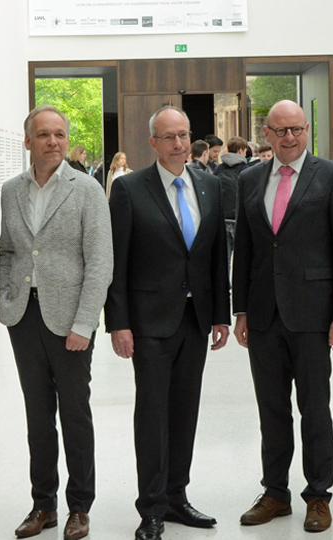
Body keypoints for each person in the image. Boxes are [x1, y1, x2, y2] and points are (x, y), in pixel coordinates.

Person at [233, 100, 333, 533]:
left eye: (297, 129)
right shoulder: (249, 179)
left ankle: (319, 495)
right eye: (280, 130)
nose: (289, 138)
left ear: (307, 130)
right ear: (266, 134)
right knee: (271, 409)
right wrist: (242, 309)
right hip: (265, 315)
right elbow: (246, 251)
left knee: (315, 409)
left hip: (312, 315)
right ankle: (275, 493)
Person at [105, 105, 230, 540]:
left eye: (184, 135)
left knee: (185, 411)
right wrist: (118, 322)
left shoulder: (210, 185)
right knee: (154, 414)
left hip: (196, 321)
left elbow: (216, 257)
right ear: (153, 143)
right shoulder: (129, 190)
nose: (178, 144)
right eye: (169, 137)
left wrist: (220, 316)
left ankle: (177, 497)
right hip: (149, 322)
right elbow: (115, 262)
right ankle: (151, 508)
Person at [0, 105, 113, 540]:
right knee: (37, 414)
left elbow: (100, 262)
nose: (52, 142)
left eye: (59, 135)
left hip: (70, 322)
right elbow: (6, 249)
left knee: (75, 415)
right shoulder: (11, 190)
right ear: (28, 141)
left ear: (67, 141)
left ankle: (79, 507)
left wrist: (85, 322)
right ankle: (42, 504)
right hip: (23, 318)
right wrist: (5, 296)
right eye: (43, 135)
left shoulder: (87, 190)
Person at [214, 136, 249, 270]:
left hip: (222, 218)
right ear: (241, 150)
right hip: (238, 219)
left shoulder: (219, 169)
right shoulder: (245, 170)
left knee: (224, 258)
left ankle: (224, 287)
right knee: (241, 257)